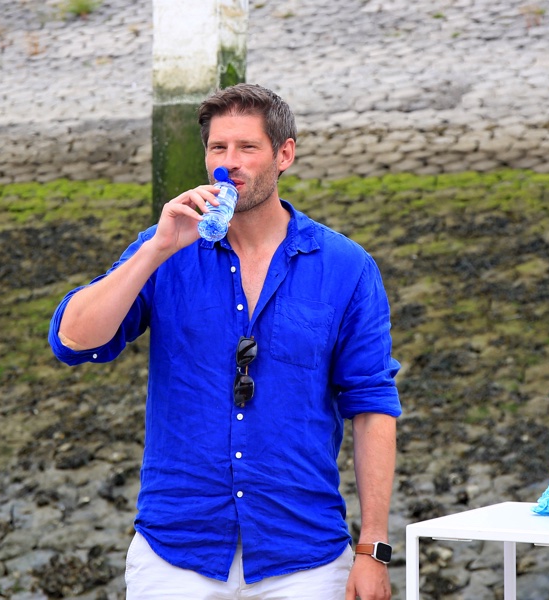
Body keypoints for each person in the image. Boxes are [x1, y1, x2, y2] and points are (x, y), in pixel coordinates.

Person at [48, 83, 401, 600]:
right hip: (176, 552)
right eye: (218, 147)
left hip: (304, 554)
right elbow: (73, 340)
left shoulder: (347, 267)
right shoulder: (165, 248)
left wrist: (372, 549)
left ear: (284, 154)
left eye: (247, 147)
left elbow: (372, 406)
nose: (228, 162)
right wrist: (157, 249)